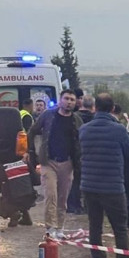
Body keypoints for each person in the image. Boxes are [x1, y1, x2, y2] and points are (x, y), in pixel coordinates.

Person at [78, 93, 129, 258]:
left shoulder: (84, 129)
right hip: (113, 187)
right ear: (112, 109)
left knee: (95, 228)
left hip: (89, 186)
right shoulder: (119, 130)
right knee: (120, 229)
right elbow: (128, 151)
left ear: (95, 107)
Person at [26, 88, 82, 238]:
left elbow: (80, 140)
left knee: (63, 198)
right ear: (60, 100)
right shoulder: (48, 115)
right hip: (48, 161)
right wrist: (31, 151)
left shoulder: (76, 120)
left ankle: (60, 228)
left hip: (68, 163)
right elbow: (33, 131)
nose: (69, 102)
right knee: (51, 195)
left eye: (72, 100)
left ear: (75, 103)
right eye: (66, 99)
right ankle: (50, 229)